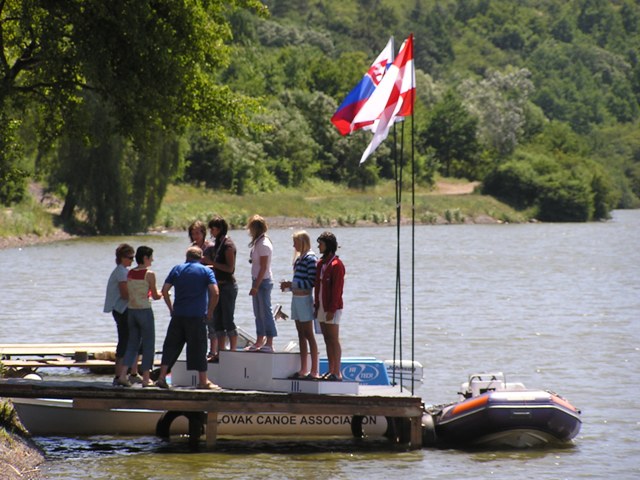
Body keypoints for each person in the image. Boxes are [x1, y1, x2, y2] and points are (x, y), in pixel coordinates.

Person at [156, 246, 220, 390]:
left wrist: (171, 308)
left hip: (178, 315)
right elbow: (215, 293)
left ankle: (161, 378)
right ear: (201, 257)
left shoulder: (177, 269)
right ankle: (203, 381)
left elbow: (165, 290)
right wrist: (210, 312)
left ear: (187, 257)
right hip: (196, 317)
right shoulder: (206, 271)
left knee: (170, 347)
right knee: (199, 348)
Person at [114, 246, 162, 387]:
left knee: (132, 345)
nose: (152, 260)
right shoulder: (149, 274)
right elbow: (155, 295)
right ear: (145, 258)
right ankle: (146, 378)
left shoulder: (130, 273)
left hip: (132, 311)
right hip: (144, 311)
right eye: (150, 257)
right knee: (148, 344)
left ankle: (123, 375)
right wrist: (165, 294)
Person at [280, 231, 319, 379]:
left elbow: (311, 282)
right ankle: (304, 369)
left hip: (304, 300)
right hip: (296, 299)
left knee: (309, 334)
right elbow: (299, 283)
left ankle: (314, 370)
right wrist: (288, 287)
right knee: (301, 334)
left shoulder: (310, 258)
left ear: (302, 242)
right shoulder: (299, 259)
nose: (293, 245)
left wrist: (292, 283)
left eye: (295, 242)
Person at [103, 243, 142, 386]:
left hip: (126, 310)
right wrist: (142, 295)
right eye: (130, 257)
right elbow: (125, 294)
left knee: (135, 340)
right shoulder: (120, 272)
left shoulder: (125, 271)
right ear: (121, 258)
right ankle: (119, 376)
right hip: (121, 310)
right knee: (124, 341)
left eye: (133, 258)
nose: (132, 261)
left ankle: (132, 373)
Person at [203, 216, 238, 361]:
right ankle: (221, 352)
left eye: (214, 228)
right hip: (218, 286)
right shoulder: (217, 243)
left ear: (220, 229)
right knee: (218, 321)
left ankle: (233, 352)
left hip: (228, 286)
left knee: (228, 320)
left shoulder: (228, 245)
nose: (211, 231)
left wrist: (211, 263)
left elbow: (230, 269)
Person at [314, 231, 345, 381]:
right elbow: (317, 287)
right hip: (321, 306)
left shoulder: (336, 265)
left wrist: (332, 309)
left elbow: (337, 290)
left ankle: (337, 372)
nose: (318, 246)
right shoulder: (320, 263)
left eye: (321, 243)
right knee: (326, 338)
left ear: (328, 246)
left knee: (333, 338)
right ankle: (330, 369)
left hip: (332, 307)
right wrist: (316, 305)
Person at [245, 214, 277, 352]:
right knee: (258, 313)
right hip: (257, 280)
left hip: (263, 281)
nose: (249, 231)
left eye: (251, 228)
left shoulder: (264, 244)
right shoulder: (258, 242)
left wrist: (256, 286)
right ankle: (259, 340)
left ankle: (269, 342)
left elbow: (263, 267)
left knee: (265, 312)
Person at [188, 220, 218, 359]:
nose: (195, 236)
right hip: (196, 288)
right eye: (193, 233)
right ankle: (199, 351)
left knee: (211, 318)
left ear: (203, 233)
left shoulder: (210, 247)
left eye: (198, 233)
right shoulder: (191, 248)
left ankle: (213, 351)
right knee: (198, 320)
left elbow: (215, 266)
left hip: (209, 286)